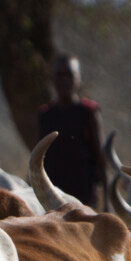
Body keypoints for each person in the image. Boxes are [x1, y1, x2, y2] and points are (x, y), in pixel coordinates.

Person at [37, 54, 108, 211]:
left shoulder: (89, 111)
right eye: (59, 75)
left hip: (85, 196)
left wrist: (107, 202)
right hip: (53, 197)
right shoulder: (45, 114)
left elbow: (100, 158)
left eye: (69, 75)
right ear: (52, 79)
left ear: (79, 79)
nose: (64, 80)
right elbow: (39, 157)